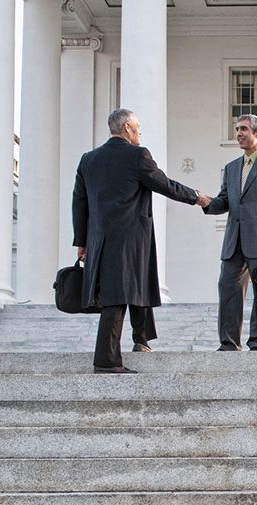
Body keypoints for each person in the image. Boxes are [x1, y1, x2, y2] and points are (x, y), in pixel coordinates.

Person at [72, 108, 210, 373]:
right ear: (126, 128)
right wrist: (197, 196)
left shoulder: (88, 160)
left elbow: (79, 202)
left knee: (138, 284)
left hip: (99, 238)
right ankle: (107, 361)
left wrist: (82, 241)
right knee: (117, 296)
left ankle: (142, 338)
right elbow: (165, 184)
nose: (139, 132)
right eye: (137, 127)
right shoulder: (138, 155)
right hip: (131, 237)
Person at [203, 114, 257, 351]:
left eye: (243, 129)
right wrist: (205, 202)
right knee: (228, 290)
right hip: (233, 242)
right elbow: (224, 201)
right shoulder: (231, 168)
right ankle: (229, 343)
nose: (238, 133)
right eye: (237, 129)